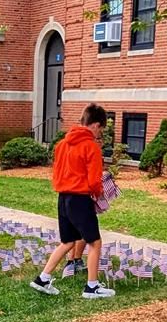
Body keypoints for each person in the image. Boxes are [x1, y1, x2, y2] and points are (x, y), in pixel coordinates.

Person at [30, 104, 115, 300]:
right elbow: (94, 181)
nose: (100, 133)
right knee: (95, 242)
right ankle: (92, 286)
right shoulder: (91, 147)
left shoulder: (61, 144)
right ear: (95, 125)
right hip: (80, 199)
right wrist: (99, 193)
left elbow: (57, 171)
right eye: (101, 129)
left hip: (63, 198)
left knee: (68, 241)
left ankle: (43, 278)